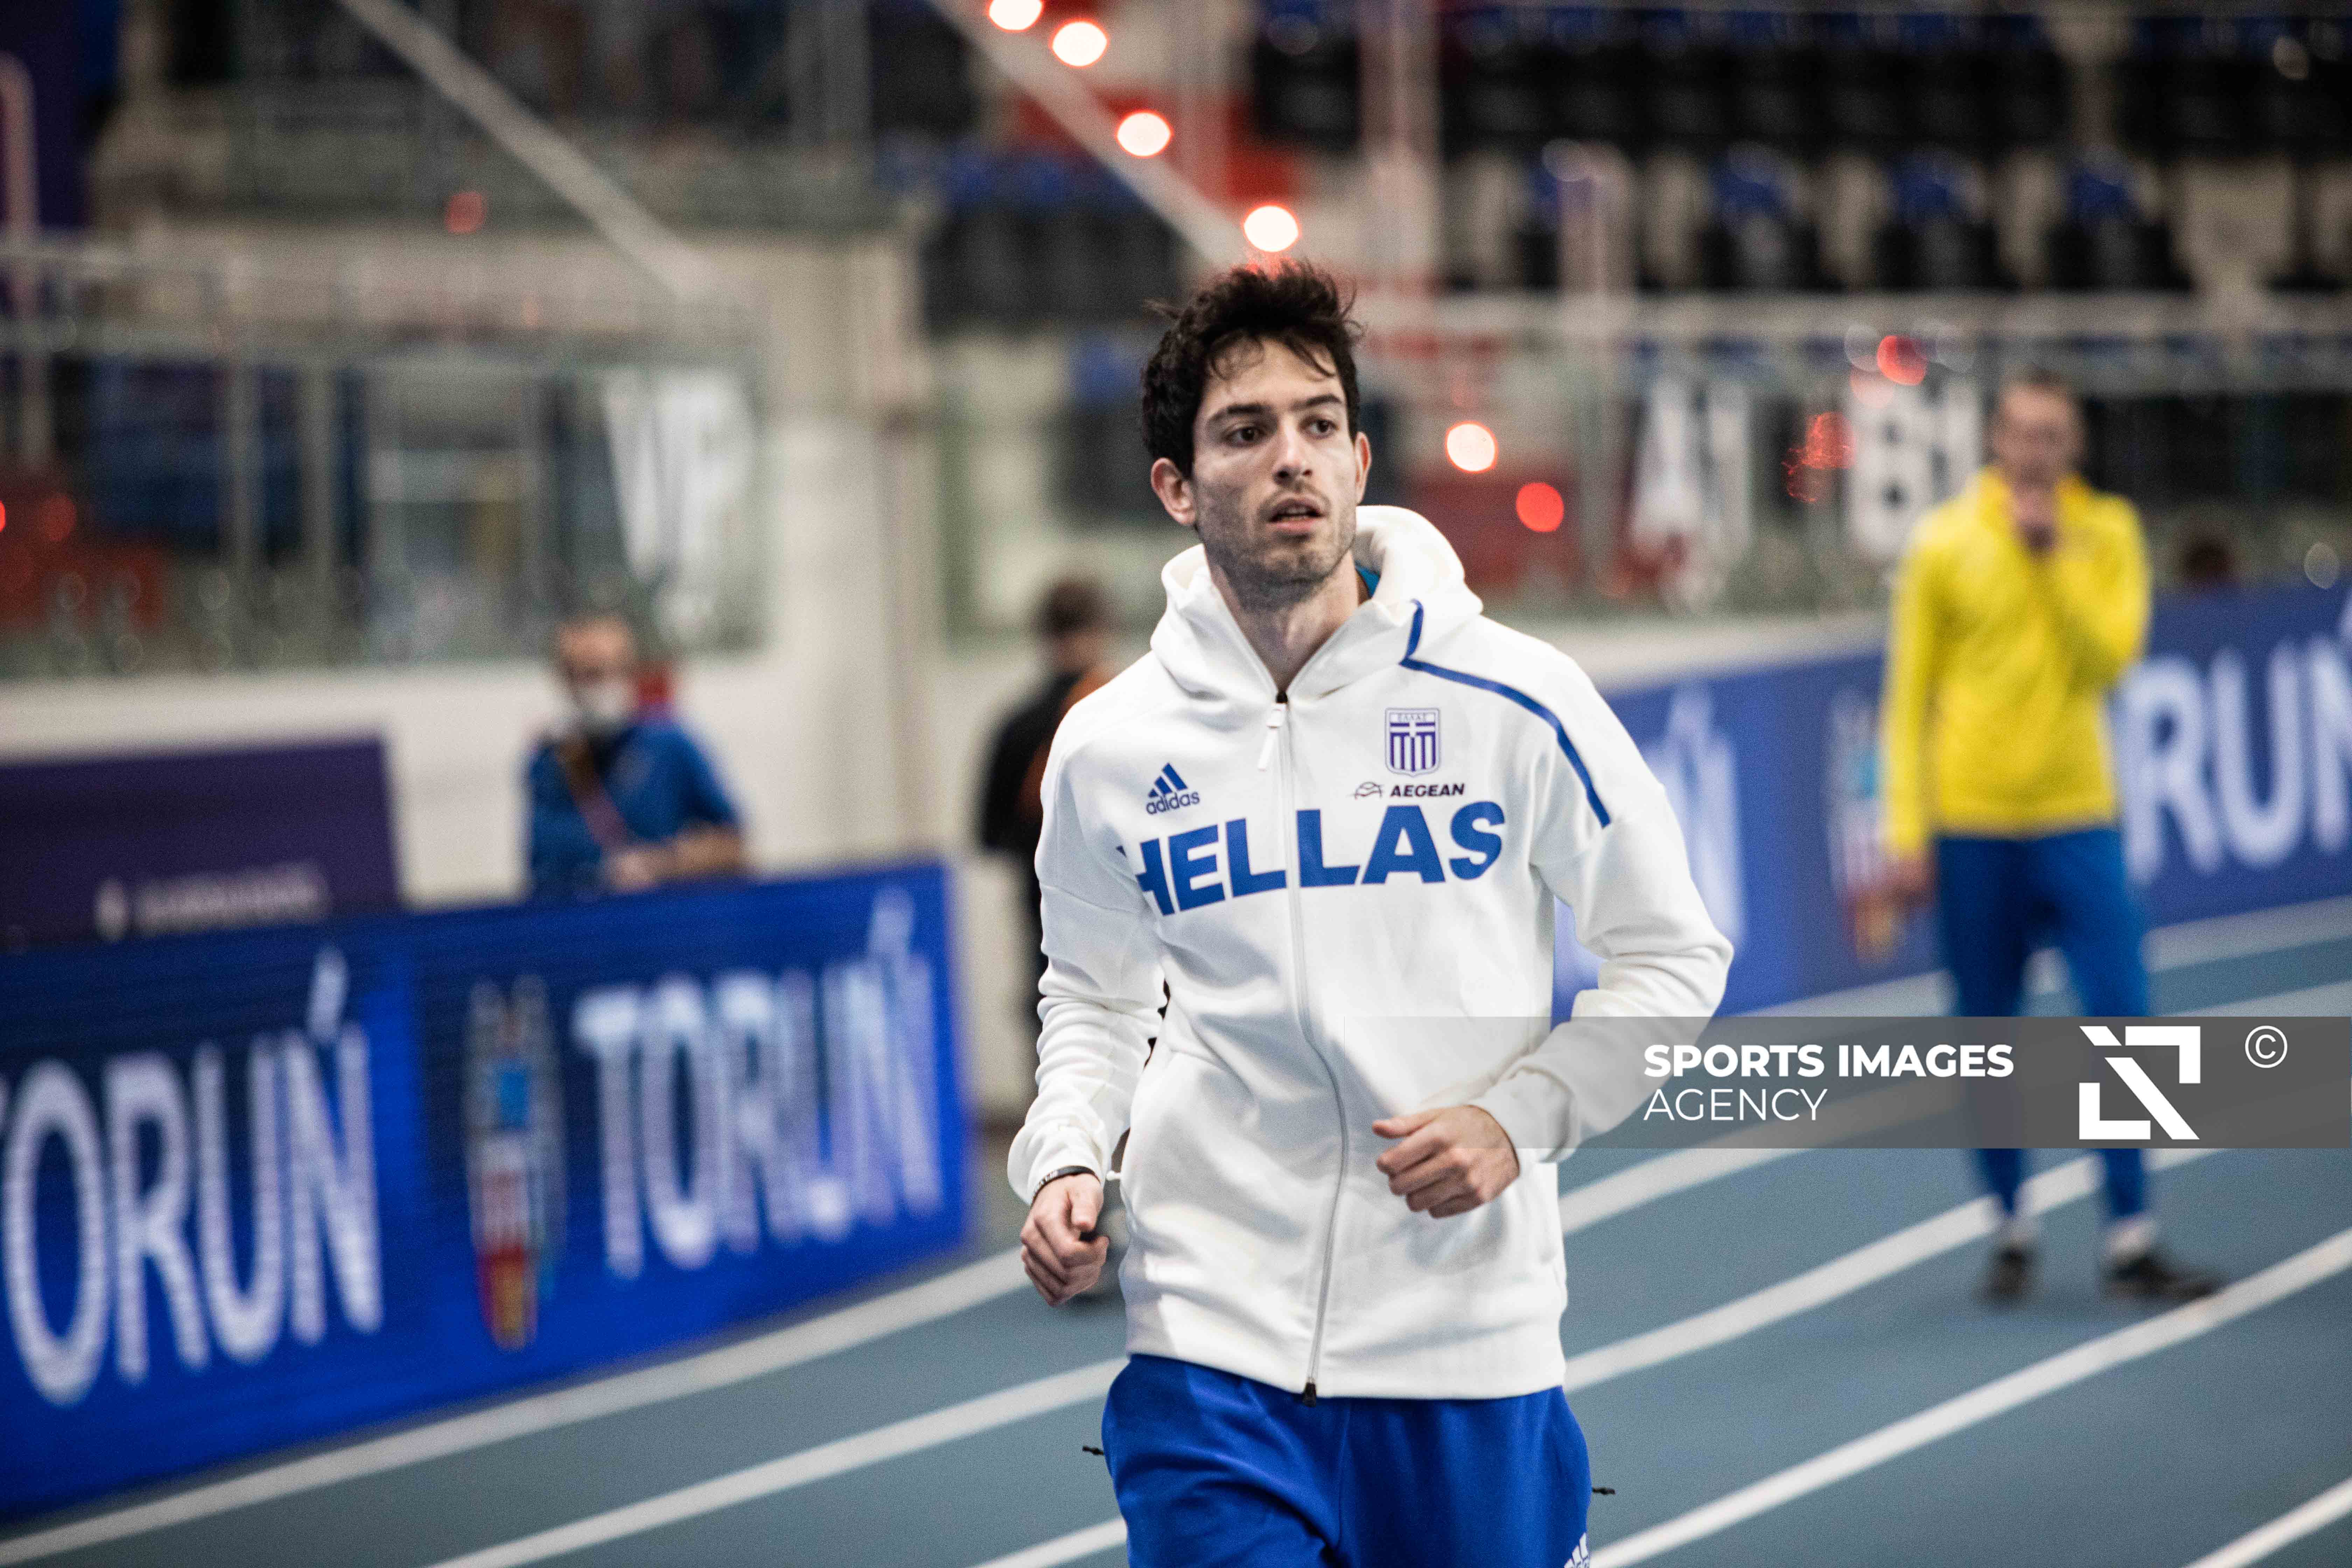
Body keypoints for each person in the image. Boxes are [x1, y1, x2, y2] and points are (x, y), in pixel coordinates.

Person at [1009, 261, 1730, 1568]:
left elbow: (1669, 954)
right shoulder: (1109, 745)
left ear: (1356, 456)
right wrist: (1064, 1153)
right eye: (1243, 431)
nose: (1290, 456)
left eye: (1318, 422)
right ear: (1176, 487)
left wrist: (1518, 1118)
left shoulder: (1515, 698)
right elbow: (1094, 994)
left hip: (1463, 1346)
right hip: (1207, 1349)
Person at [1879, 368, 2219, 1306]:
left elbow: (2113, 657)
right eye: (2023, 433)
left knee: (2122, 1017)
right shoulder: (1944, 542)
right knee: (1987, 1033)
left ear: (2074, 447)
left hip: (2078, 815)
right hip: (1973, 824)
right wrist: (1906, 831)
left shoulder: (2106, 533)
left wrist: (2054, 561)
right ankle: (2010, 1227)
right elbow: (1907, 698)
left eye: (2054, 436)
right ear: (1996, 438)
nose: (2036, 451)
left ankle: (2131, 1233)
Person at [525, 611, 747, 898]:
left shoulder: (670, 744)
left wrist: (662, 864)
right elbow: (539, 873)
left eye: (618, 670)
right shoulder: (549, 763)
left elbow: (734, 844)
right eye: (591, 674)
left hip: (659, 915)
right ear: (566, 681)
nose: (606, 684)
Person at [976, 578, 1115, 987]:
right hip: (1136, 933)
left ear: (1043, 635)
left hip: (1051, 939)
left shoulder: (1017, 727)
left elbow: (989, 834)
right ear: (1103, 629)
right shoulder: (1130, 716)